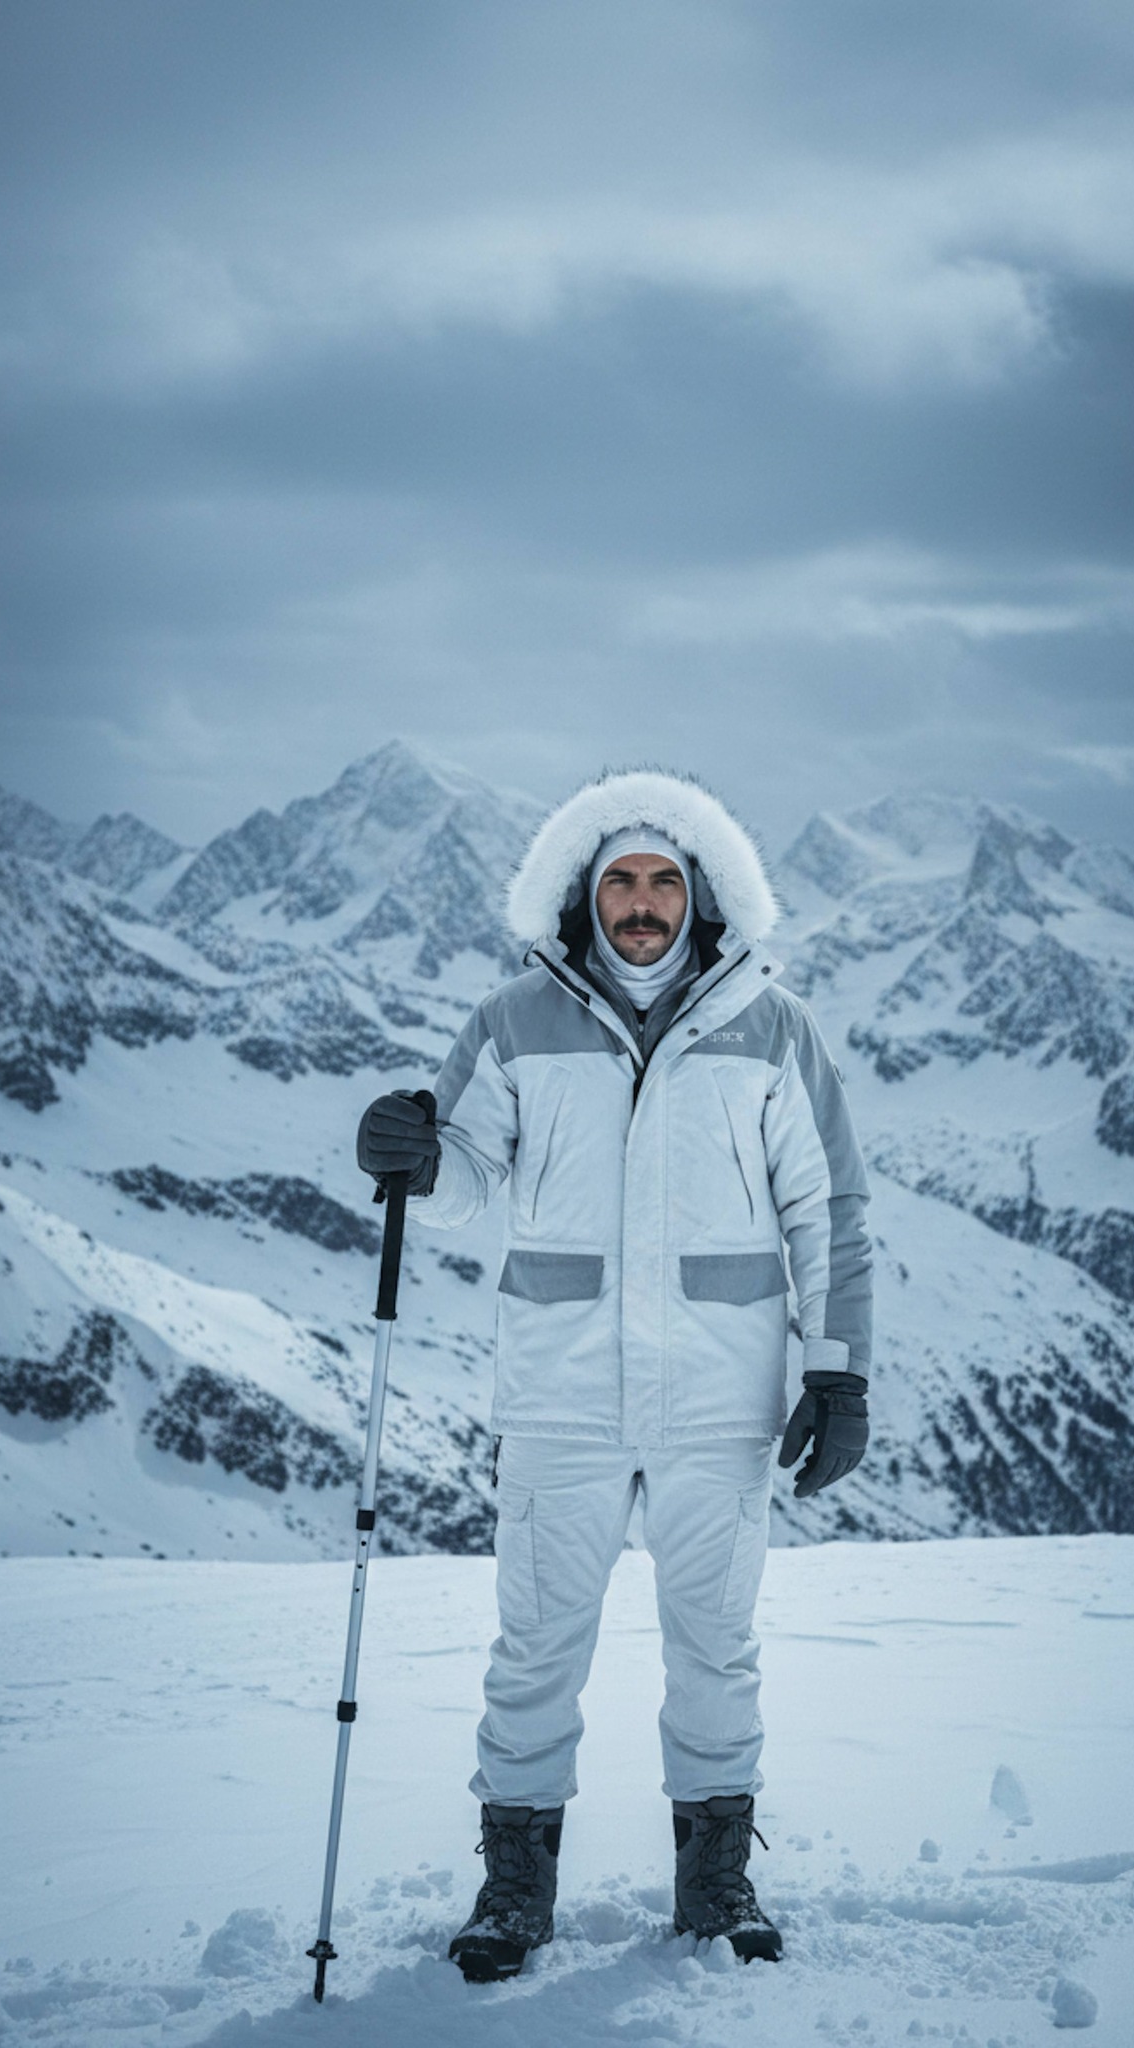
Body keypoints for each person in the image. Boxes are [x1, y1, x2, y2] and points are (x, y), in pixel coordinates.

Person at [356, 768, 872, 1981]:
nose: (642, 902)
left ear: (702, 899)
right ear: (582, 897)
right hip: (560, 1395)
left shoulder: (773, 1025)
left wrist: (837, 1370)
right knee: (534, 1647)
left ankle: (714, 1878)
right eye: (620, 881)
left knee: (715, 1645)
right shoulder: (512, 1019)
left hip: (717, 1397)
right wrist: (417, 1162)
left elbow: (829, 1207)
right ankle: (513, 1888)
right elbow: (471, 1169)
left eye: (664, 881)